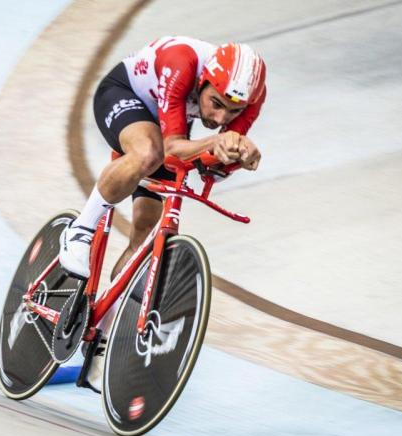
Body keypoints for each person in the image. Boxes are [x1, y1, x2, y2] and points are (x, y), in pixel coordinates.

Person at [59, 36, 267, 392]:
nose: (220, 118)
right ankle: (80, 229)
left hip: (172, 124)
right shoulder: (182, 61)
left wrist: (238, 158)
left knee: (144, 237)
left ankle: (102, 337)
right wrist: (216, 142)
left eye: (232, 113)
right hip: (125, 95)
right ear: (203, 81)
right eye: (215, 104)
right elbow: (173, 148)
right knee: (149, 153)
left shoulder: (251, 97)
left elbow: (215, 160)